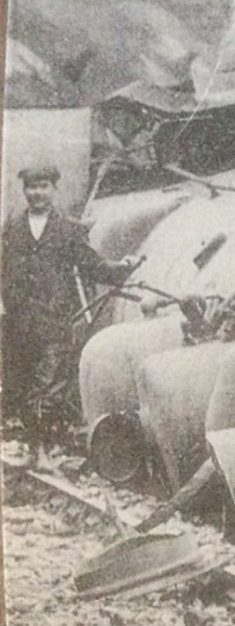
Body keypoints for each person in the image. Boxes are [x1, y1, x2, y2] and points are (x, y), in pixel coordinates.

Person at [2, 166, 135, 453]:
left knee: (49, 389)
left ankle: (40, 452)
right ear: (24, 190)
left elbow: (93, 266)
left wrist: (123, 269)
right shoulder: (11, 228)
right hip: (16, 325)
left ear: (54, 190)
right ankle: (34, 450)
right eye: (32, 187)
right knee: (19, 387)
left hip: (54, 323)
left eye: (43, 186)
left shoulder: (68, 230)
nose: (37, 192)